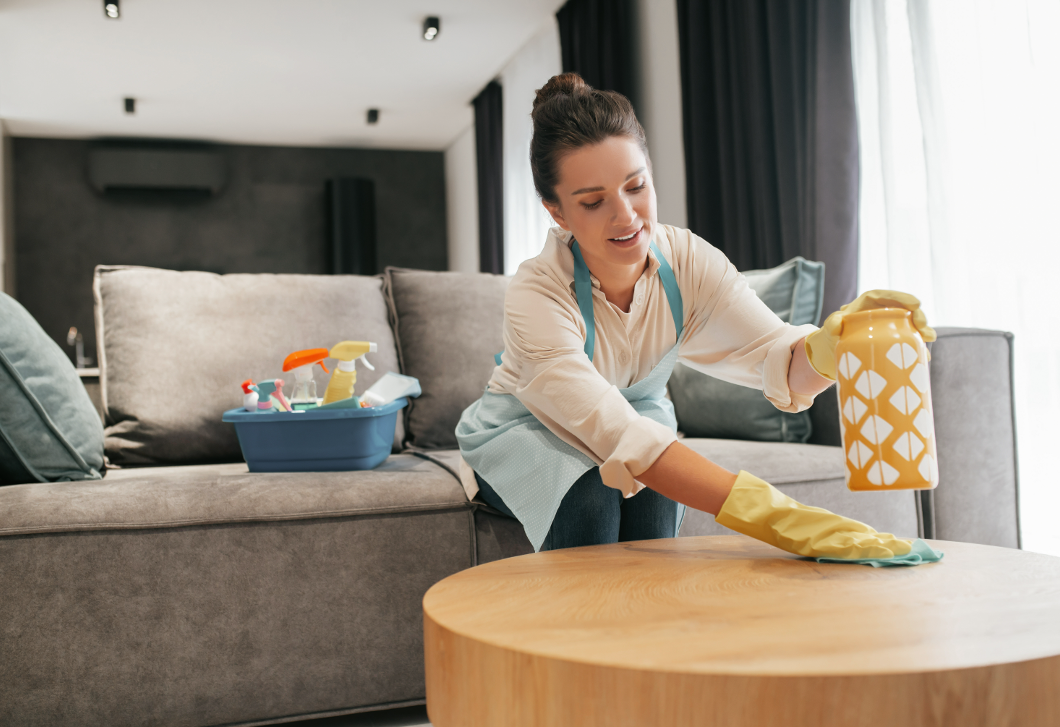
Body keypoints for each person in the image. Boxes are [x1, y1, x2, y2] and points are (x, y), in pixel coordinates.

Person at [456, 73, 935, 563]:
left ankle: (657, 634)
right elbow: (613, 432)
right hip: (527, 431)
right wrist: (776, 518)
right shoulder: (537, 292)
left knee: (654, 490)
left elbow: (779, 359)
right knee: (592, 493)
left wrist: (834, 346)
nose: (626, 216)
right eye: (594, 202)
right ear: (557, 212)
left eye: (636, 186)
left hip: (637, 421)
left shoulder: (686, 262)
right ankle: (582, 636)